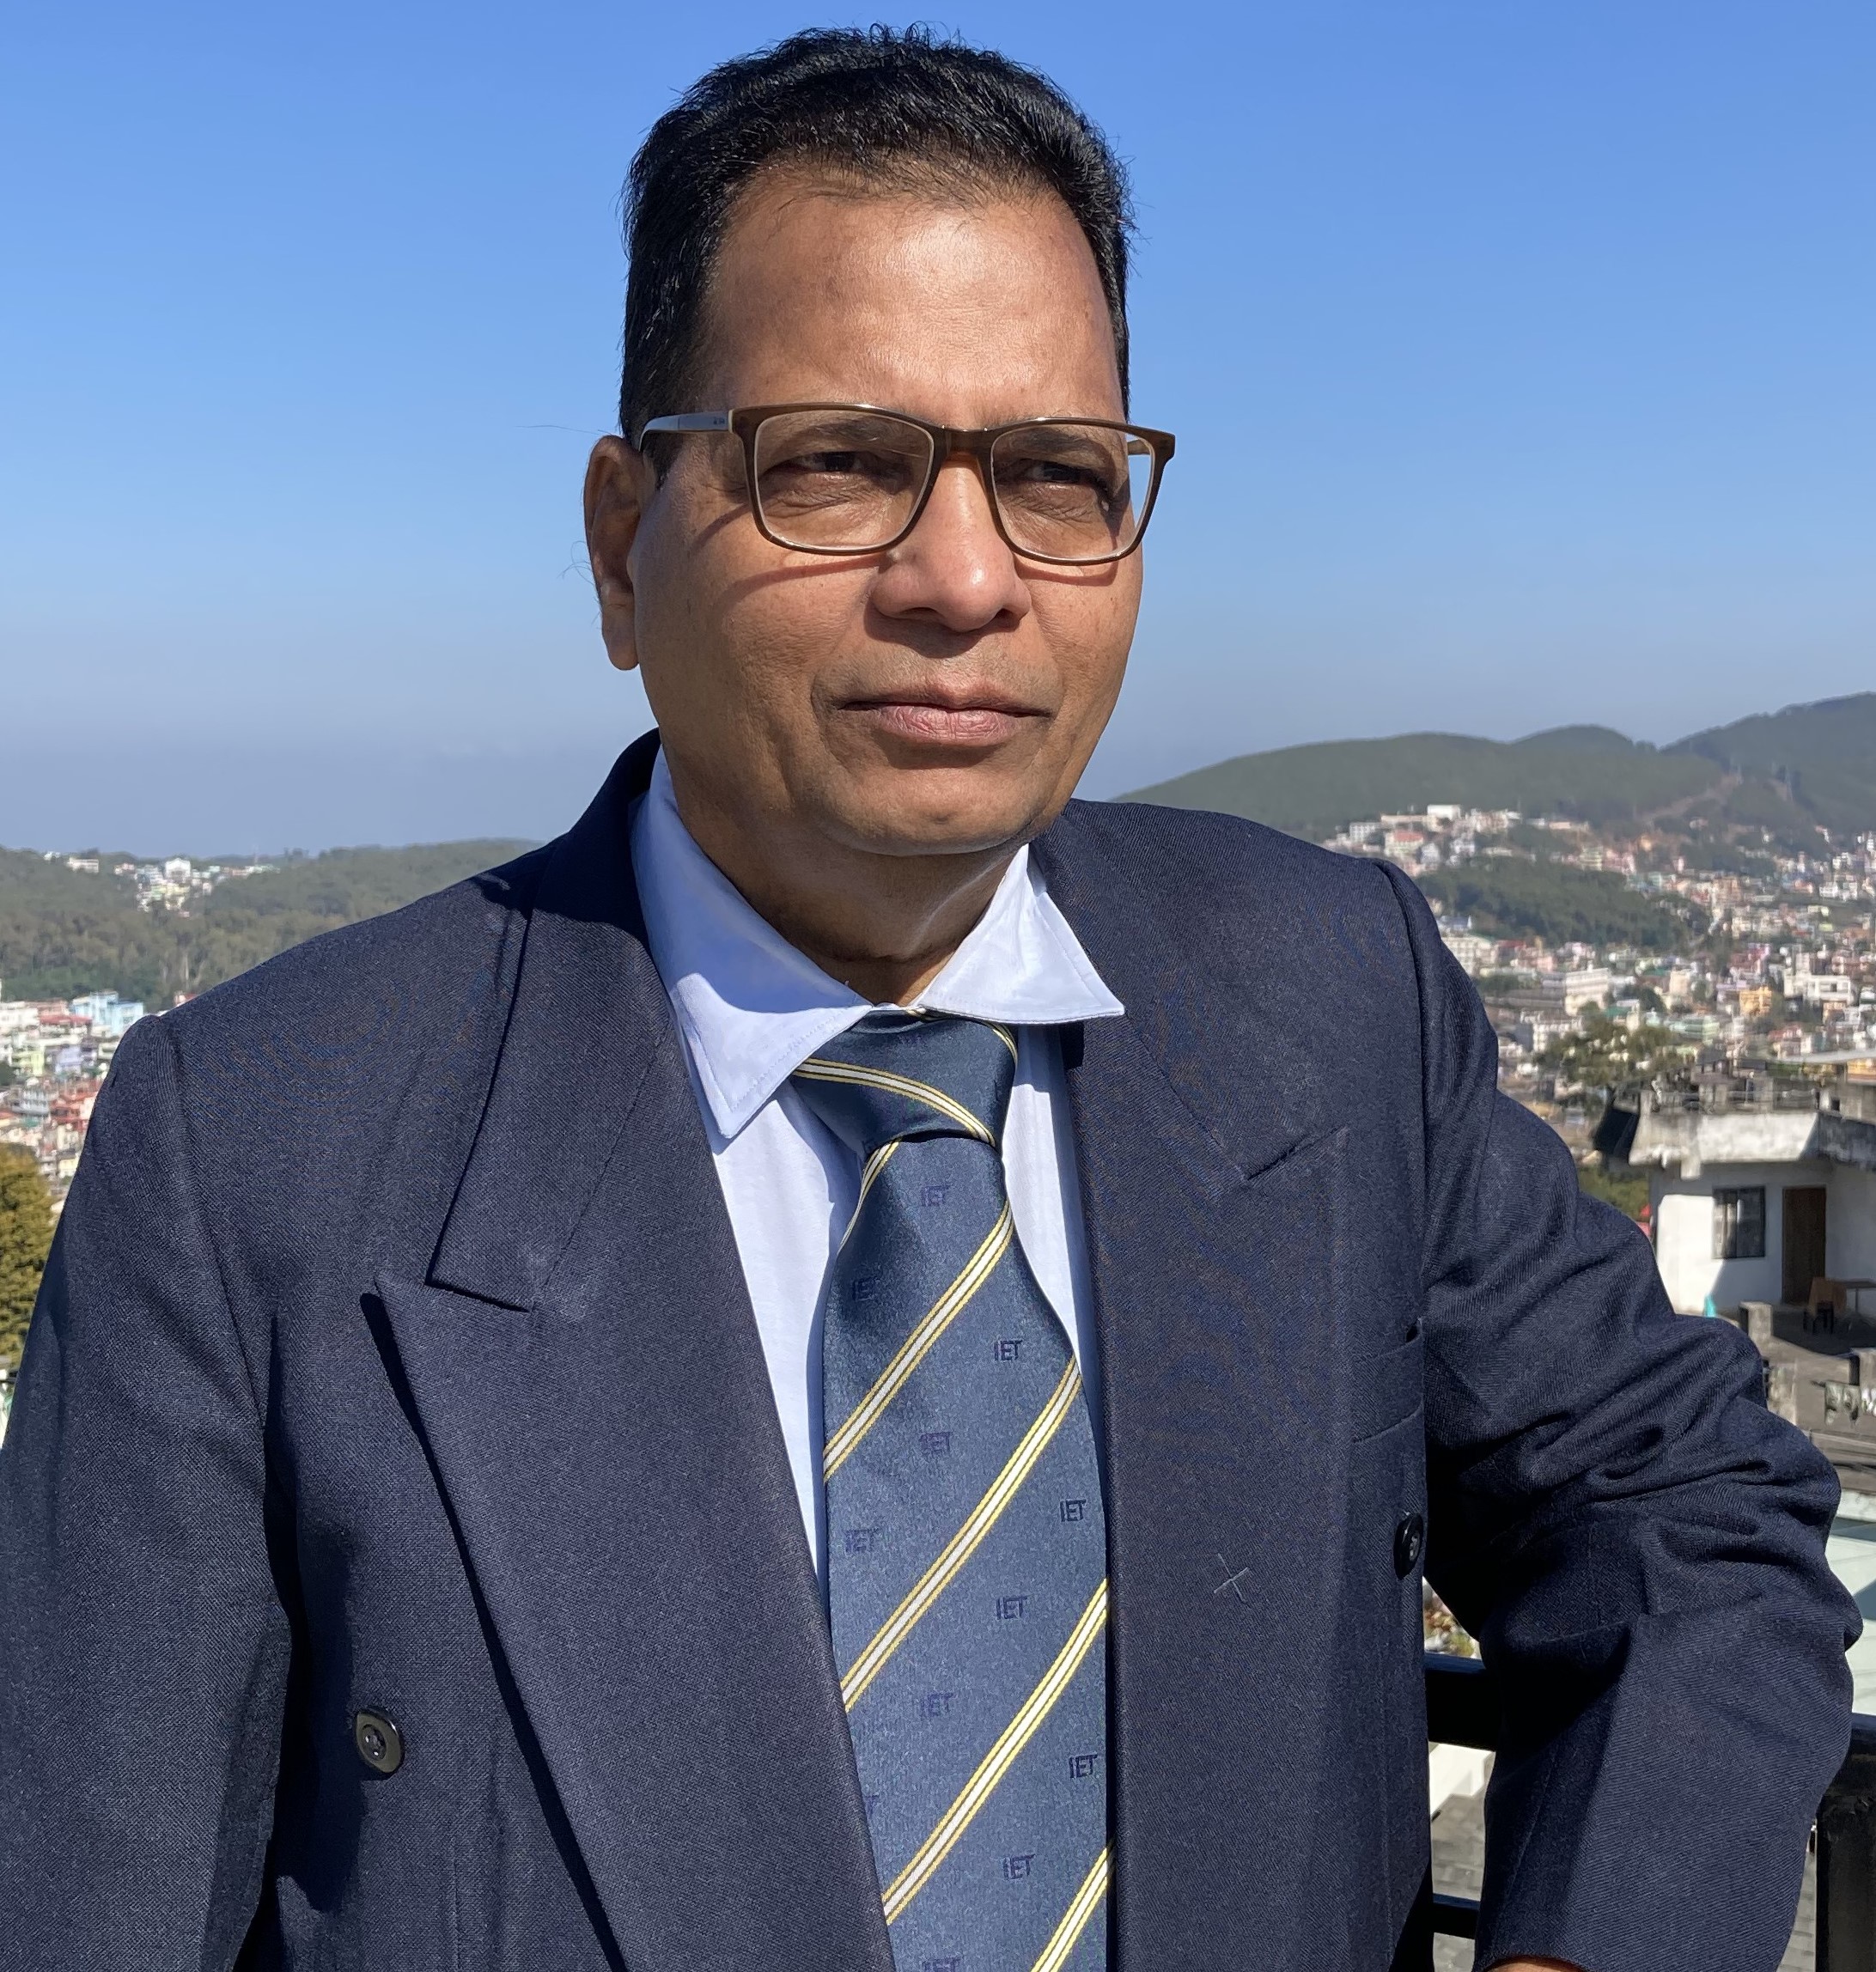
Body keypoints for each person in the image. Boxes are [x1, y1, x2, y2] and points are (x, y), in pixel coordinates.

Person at [0, 27, 1855, 1972]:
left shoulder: (1329, 995)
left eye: (1056, 473)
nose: (964, 579)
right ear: (623, 543)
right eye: (836, 464)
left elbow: (1694, 1511)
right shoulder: (265, 1147)